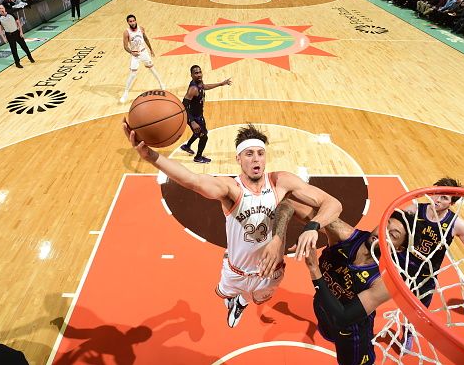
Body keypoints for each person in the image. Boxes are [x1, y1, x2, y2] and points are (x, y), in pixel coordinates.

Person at [123, 122, 342, 328]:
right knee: (223, 292)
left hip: (271, 272)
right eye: (249, 154)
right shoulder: (231, 189)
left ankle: (242, 302)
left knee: (258, 299)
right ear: (238, 158)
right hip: (236, 271)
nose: (256, 159)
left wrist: (313, 226)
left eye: (260, 153)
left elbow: (333, 204)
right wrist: (152, 157)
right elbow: (193, 180)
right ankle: (234, 299)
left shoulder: (280, 181)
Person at [270, 199, 414, 365]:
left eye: (393, 235)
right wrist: (278, 241)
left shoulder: (384, 281)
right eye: (384, 225)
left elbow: (344, 317)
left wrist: (314, 268)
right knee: (328, 331)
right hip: (323, 308)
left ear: (399, 249)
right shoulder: (345, 236)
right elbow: (288, 204)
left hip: (351, 331)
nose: (382, 232)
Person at [179, 65, 231, 164]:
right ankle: (198, 157)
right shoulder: (193, 89)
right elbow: (183, 106)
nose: (199, 75)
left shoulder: (200, 83)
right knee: (204, 137)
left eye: (200, 72)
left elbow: (205, 87)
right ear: (191, 75)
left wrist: (220, 84)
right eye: (196, 73)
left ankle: (186, 146)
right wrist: (193, 122)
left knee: (200, 132)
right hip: (193, 118)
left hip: (199, 116)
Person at [120, 14, 165, 103]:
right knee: (133, 74)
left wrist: (151, 49)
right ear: (128, 22)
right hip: (135, 55)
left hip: (144, 52)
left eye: (133, 21)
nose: (132, 22)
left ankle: (161, 83)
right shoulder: (126, 32)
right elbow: (125, 46)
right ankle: (125, 93)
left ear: (136, 21)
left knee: (152, 68)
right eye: (130, 21)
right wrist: (131, 52)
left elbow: (146, 39)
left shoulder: (141, 29)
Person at [0, 4, 35, 69]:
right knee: (14, 50)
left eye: (2, 8)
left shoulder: (10, 13)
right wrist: (3, 38)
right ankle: (17, 63)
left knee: (24, 46)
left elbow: (18, 22)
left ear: (4, 8)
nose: (1, 9)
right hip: (9, 35)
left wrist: (21, 32)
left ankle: (30, 57)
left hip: (17, 32)